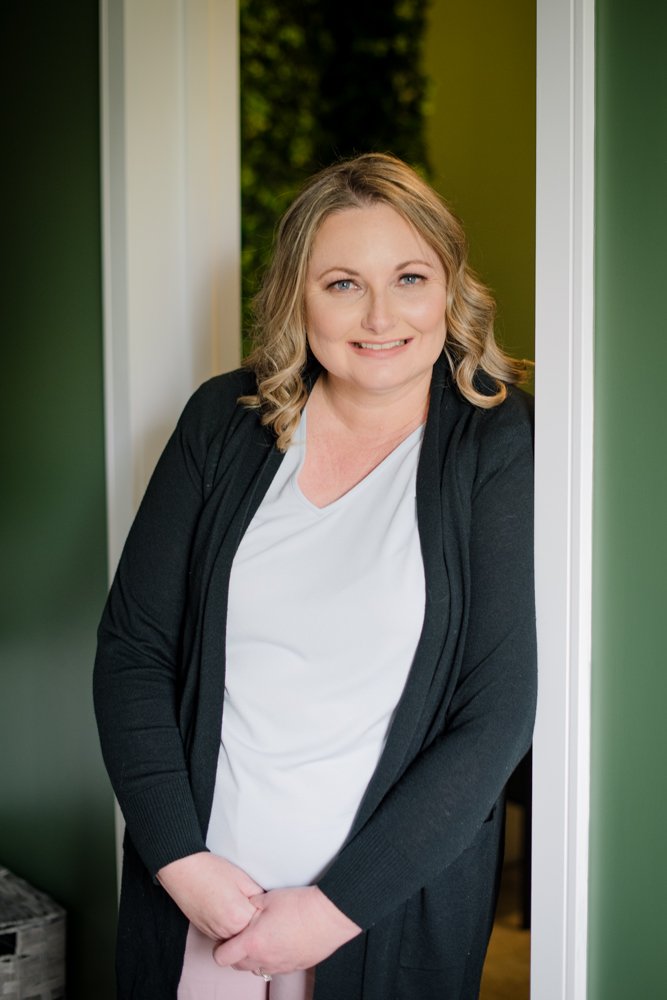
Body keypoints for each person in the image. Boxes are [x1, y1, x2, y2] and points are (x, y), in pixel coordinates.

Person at [94, 152, 537, 1000]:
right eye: (341, 283)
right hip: (200, 891)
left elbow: (494, 713)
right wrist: (182, 865)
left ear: (449, 286)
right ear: (297, 296)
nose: (380, 315)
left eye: (409, 276)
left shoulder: (496, 442)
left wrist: (333, 910)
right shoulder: (224, 423)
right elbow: (133, 651)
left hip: (378, 911)